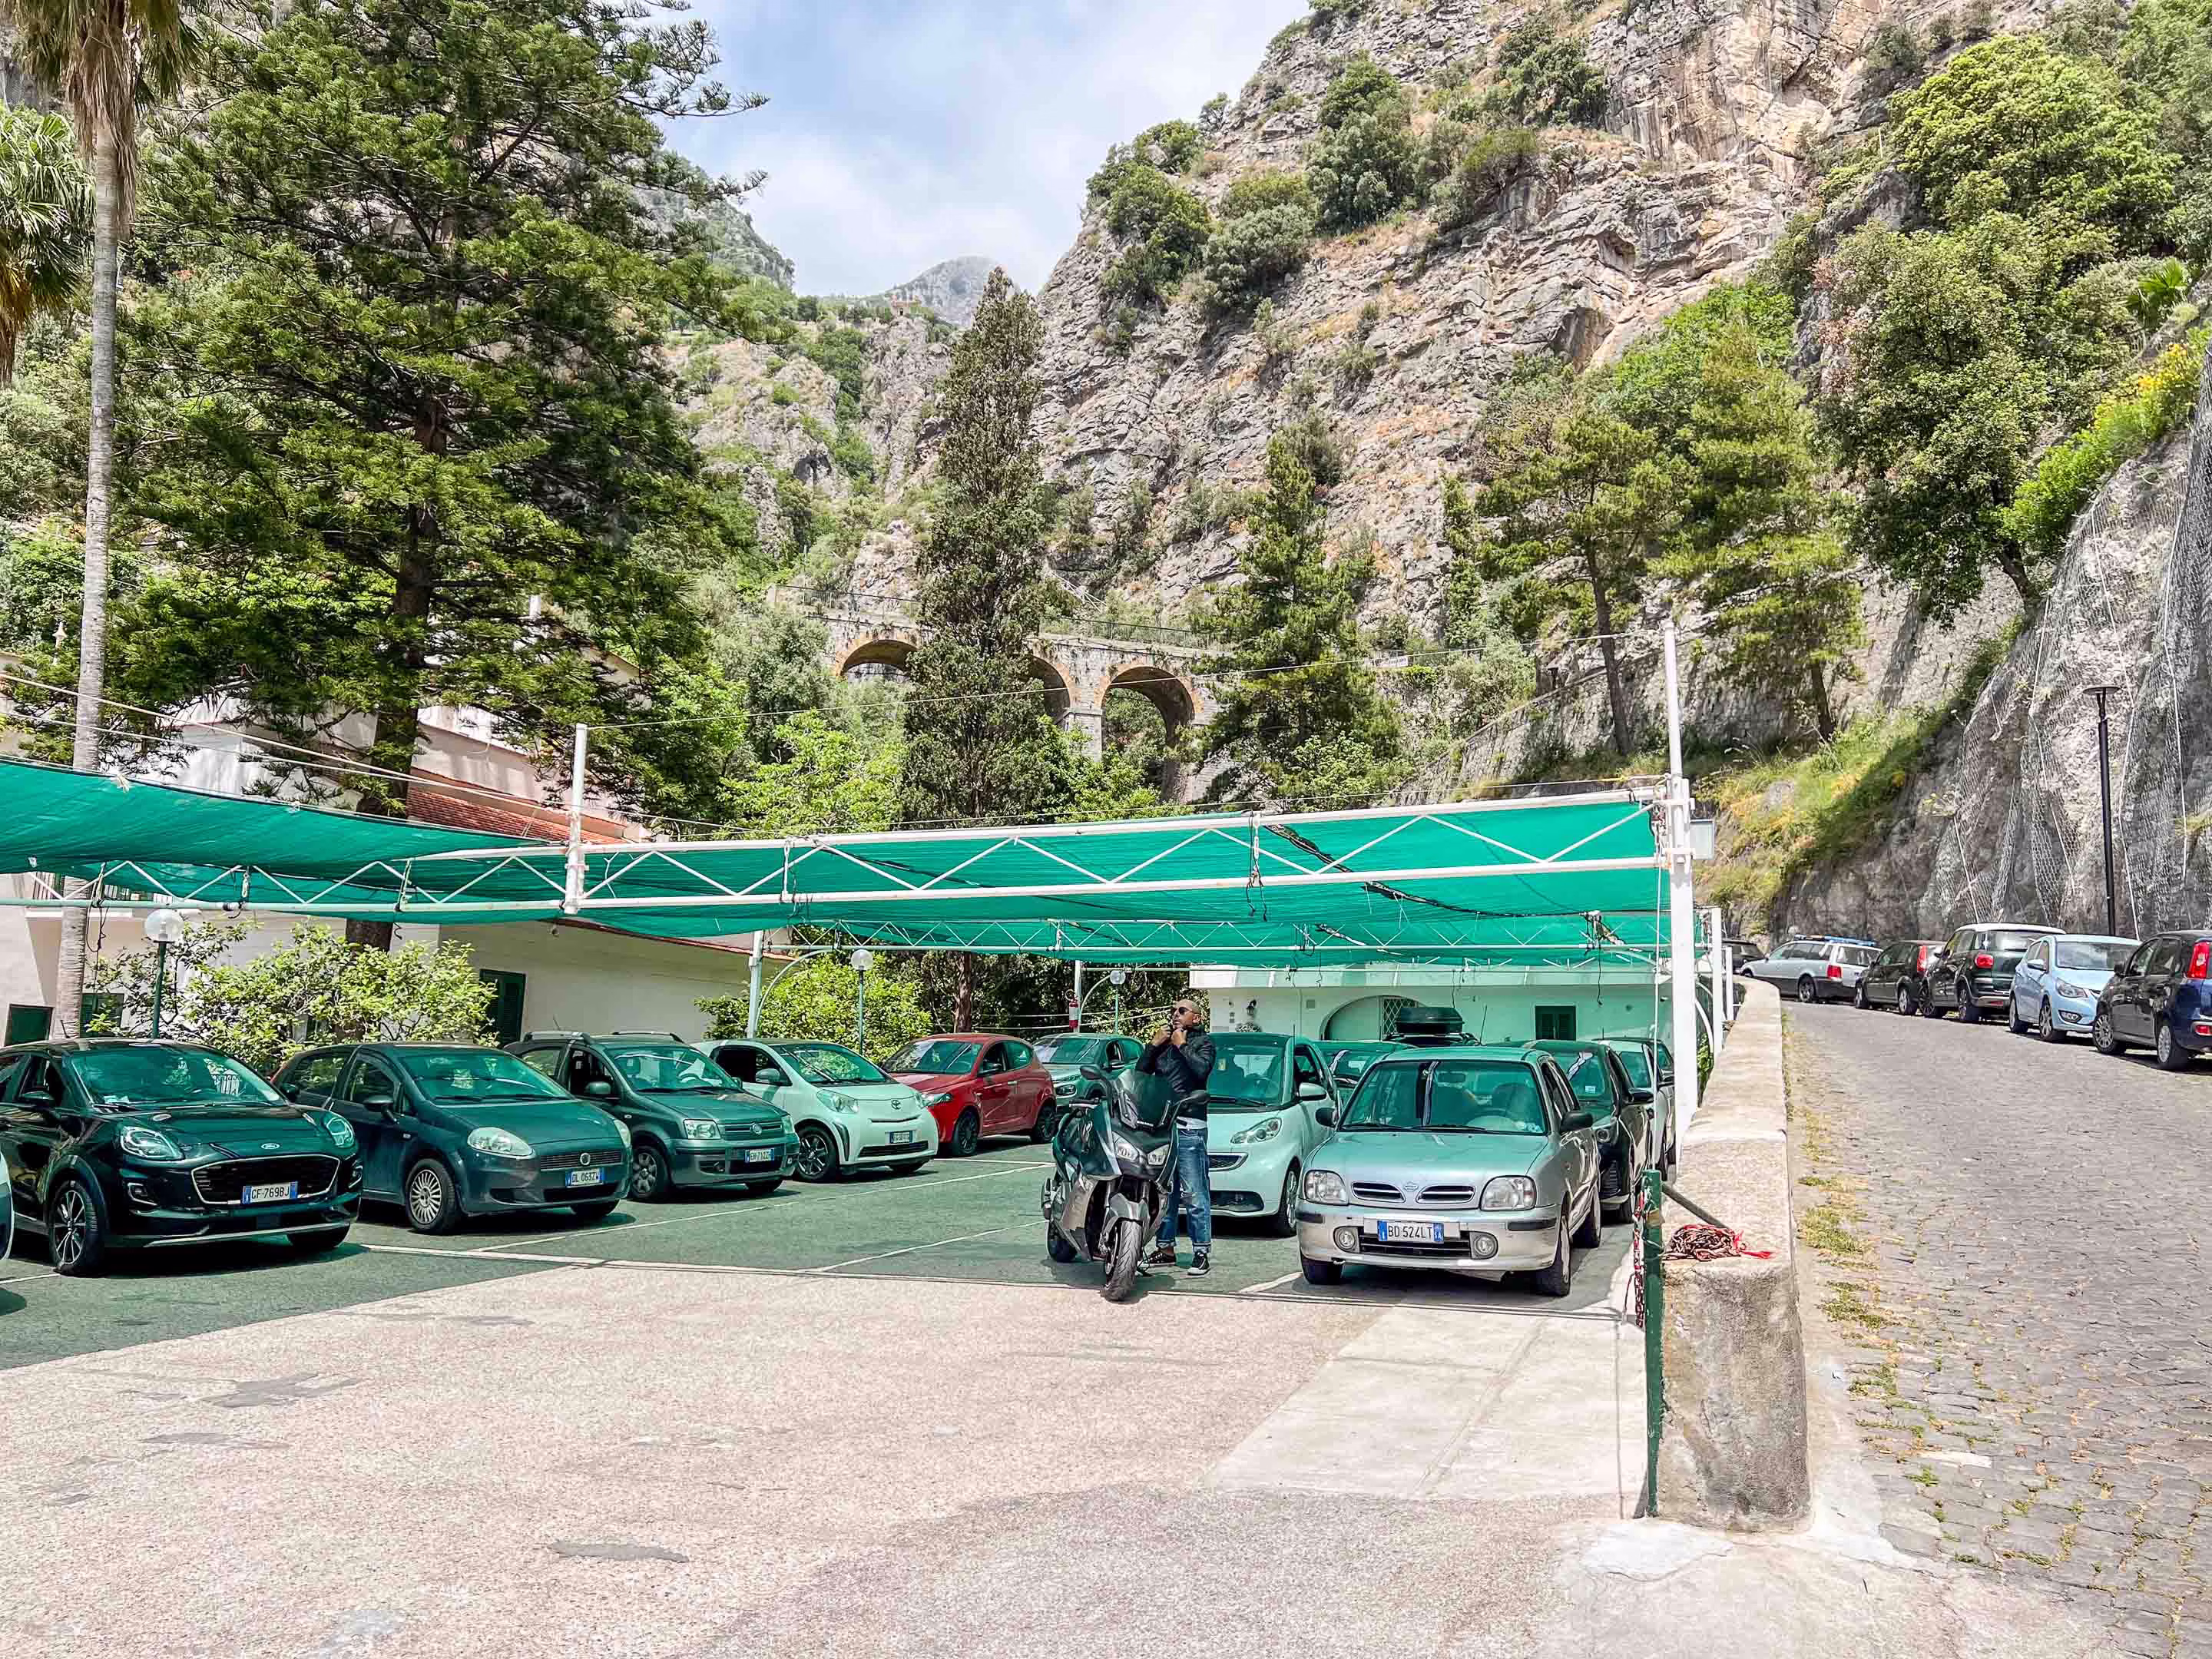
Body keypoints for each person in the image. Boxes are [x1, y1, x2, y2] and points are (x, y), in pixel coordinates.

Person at [1138, 998, 1216, 1277]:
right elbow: (1141, 1074)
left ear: (1196, 1017)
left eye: (1182, 1011)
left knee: (1194, 1192)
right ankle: (1165, 1249)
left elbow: (1201, 1071)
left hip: (1189, 1126)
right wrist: (1153, 1045)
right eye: (1173, 1011)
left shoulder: (1204, 1043)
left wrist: (1182, 1045)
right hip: (1161, 1127)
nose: (1175, 1015)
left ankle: (1201, 1251)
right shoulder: (1164, 1044)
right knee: (1164, 1192)